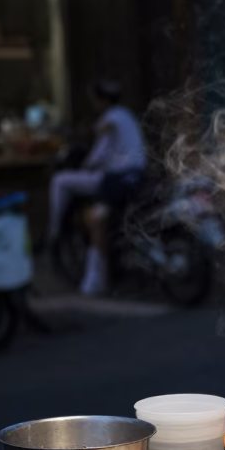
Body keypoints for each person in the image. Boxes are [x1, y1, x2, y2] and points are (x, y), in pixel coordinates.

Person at [48, 81, 146, 295]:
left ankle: (93, 279)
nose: (93, 105)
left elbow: (100, 151)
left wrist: (86, 164)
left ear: (103, 100)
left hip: (117, 179)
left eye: (95, 100)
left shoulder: (109, 119)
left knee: (95, 219)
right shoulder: (127, 115)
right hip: (136, 177)